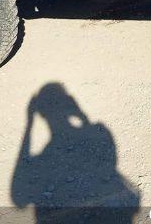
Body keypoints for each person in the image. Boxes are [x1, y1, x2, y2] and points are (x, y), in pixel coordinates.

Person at [11, 83, 139, 223]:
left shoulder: (44, 159)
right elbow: (108, 162)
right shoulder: (100, 132)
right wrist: (81, 115)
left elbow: (19, 199)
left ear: (41, 113)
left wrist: (29, 124)